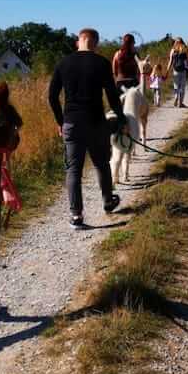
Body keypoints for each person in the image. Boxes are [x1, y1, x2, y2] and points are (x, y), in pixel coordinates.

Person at [49, 27, 124, 228]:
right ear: (96, 43)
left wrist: (60, 121)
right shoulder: (102, 63)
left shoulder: (63, 63)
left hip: (71, 123)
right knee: (101, 164)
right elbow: (112, 95)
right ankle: (108, 201)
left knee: (73, 169)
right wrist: (121, 118)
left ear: (78, 41)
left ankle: (76, 216)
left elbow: (52, 96)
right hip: (96, 123)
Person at [167, 37, 188, 107]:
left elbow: (170, 62)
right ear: (182, 41)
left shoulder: (173, 50)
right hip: (183, 70)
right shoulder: (185, 49)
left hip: (175, 70)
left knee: (176, 86)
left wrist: (167, 71)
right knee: (182, 87)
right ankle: (180, 103)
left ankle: (176, 97)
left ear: (175, 42)